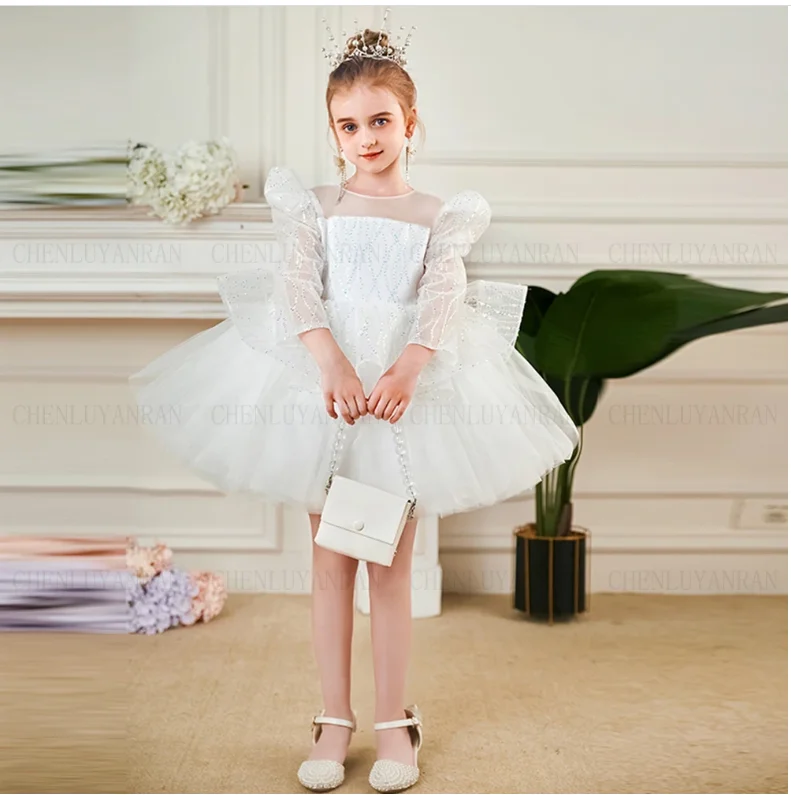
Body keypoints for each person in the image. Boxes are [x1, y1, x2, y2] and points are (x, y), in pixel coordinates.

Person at [129, 12, 579, 794]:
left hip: (401, 403)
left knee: (391, 568)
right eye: (348, 124)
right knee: (331, 561)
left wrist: (407, 366)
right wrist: (329, 360)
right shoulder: (314, 210)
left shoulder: (440, 215)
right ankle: (332, 717)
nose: (365, 137)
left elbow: (443, 293)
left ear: (411, 124)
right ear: (331, 132)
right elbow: (299, 286)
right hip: (325, 398)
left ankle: (394, 720)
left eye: (381, 120)